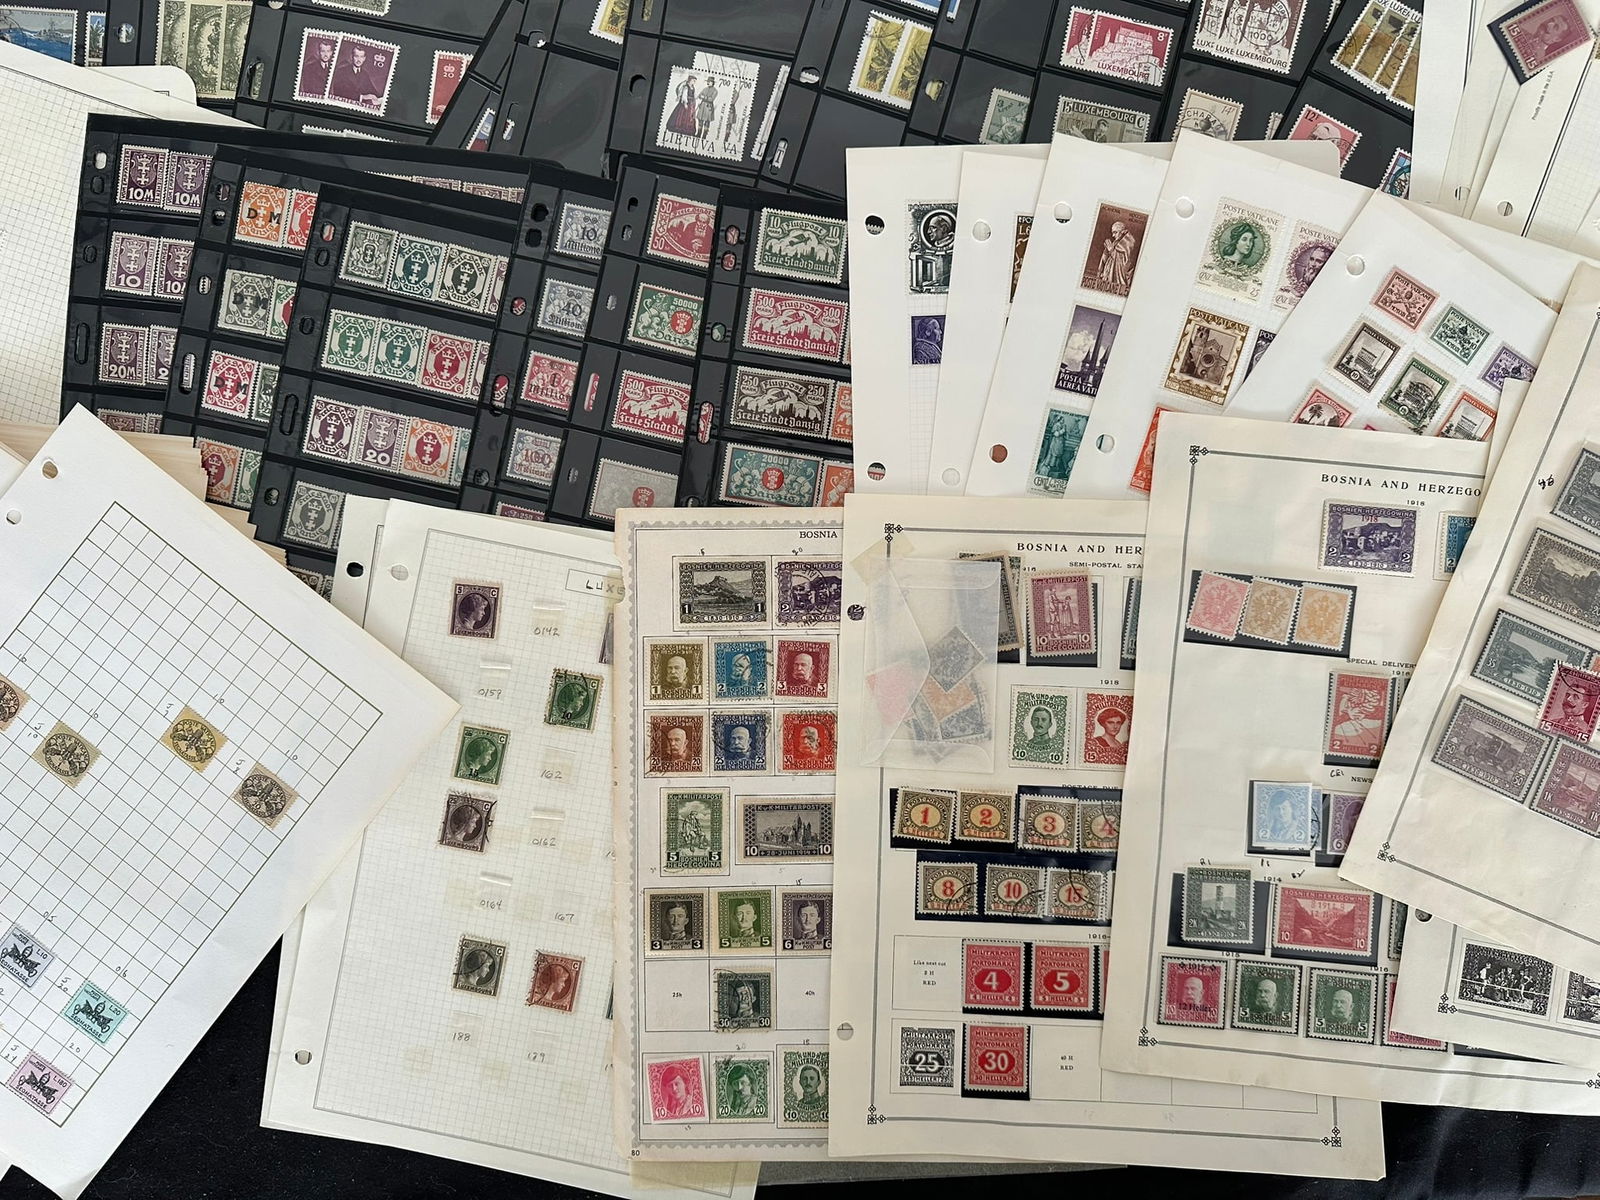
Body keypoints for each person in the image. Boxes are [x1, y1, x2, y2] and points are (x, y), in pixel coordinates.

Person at [329, 41, 385, 111]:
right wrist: (362, 97)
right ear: (351, 57)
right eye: (356, 56)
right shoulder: (341, 71)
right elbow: (340, 92)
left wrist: (381, 98)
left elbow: (372, 91)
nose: (359, 60)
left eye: (361, 57)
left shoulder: (364, 74)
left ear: (364, 58)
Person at [1094, 220, 1137, 294]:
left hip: (1119, 283)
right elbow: (1107, 261)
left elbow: (1124, 266)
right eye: (1112, 233)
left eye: (1115, 232)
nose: (1113, 235)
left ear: (1123, 232)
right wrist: (1106, 252)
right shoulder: (1115, 243)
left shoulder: (1129, 243)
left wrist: (1111, 250)